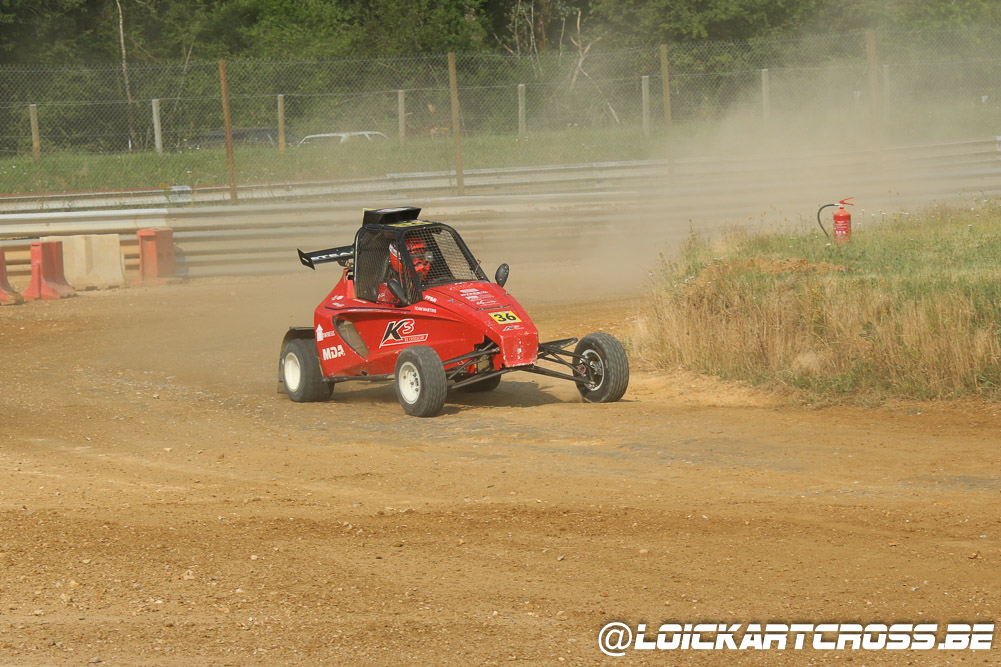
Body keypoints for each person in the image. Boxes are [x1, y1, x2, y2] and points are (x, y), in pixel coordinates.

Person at [376, 237, 432, 304]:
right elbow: (383, 313)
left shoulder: (428, 281)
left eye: (421, 257)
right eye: (412, 259)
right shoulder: (387, 290)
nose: (419, 263)